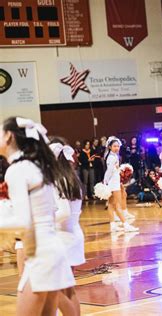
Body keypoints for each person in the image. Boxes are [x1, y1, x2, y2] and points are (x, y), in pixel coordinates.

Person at [0, 117, 75, 315]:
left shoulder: (17, 170)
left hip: (42, 254)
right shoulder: (33, 167)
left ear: (8, 136)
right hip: (49, 250)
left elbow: (23, 222)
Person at [49, 138, 84, 316]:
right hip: (74, 234)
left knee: (55, 290)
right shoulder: (72, 178)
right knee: (68, 291)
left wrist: (43, 222)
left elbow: (63, 212)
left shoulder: (58, 180)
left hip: (63, 237)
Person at [104, 137, 139, 233]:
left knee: (111, 204)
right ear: (110, 147)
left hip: (113, 182)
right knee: (117, 205)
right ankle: (125, 225)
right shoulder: (111, 157)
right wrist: (105, 181)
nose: (116, 148)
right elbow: (109, 171)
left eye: (118, 146)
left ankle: (113, 225)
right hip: (113, 184)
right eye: (114, 146)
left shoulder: (113, 156)